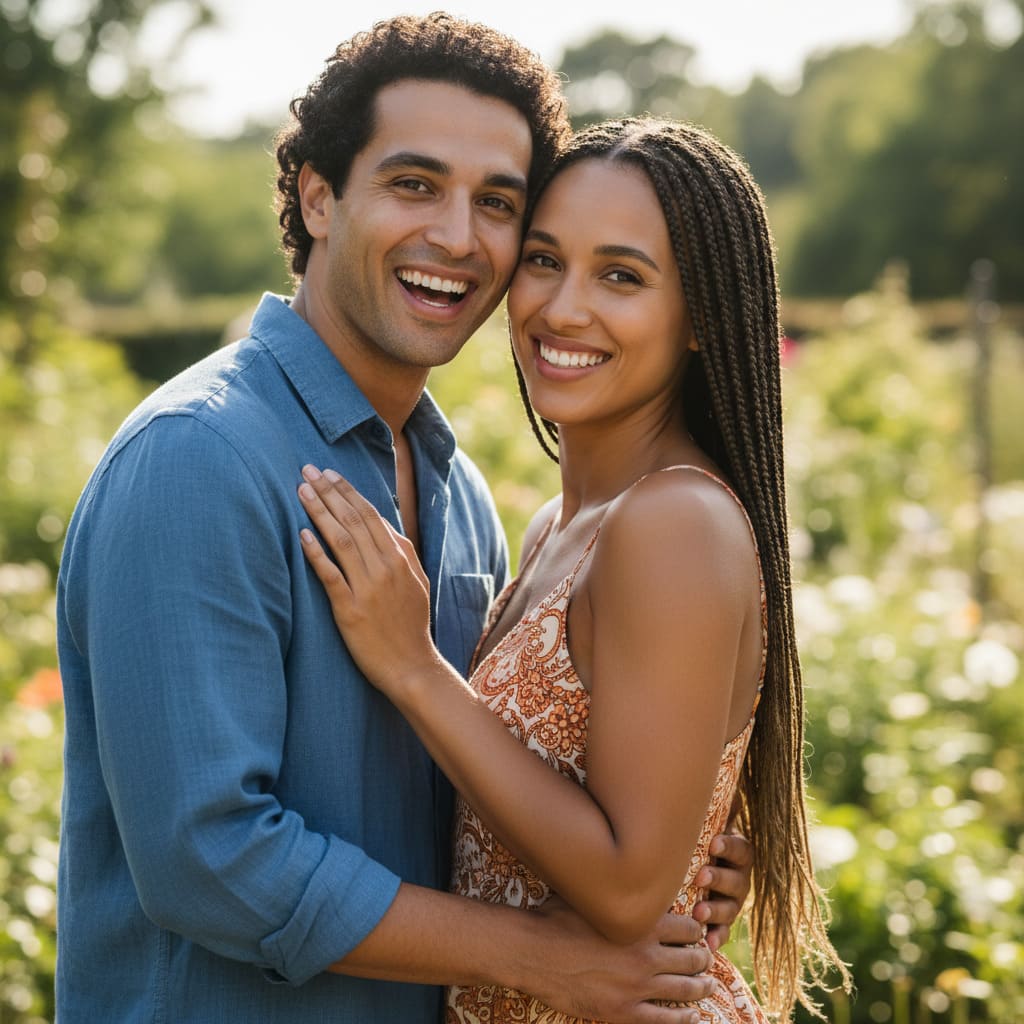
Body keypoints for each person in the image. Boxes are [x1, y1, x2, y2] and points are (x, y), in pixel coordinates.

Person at [55, 15, 753, 1024]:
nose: (459, 238)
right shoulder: (196, 460)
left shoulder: (462, 496)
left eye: (497, 203)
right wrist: (547, 956)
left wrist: (687, 846)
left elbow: (490, 789)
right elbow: (209, 858)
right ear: (319, 197)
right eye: (415, 184)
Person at [296, 116, 853, 1022]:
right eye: (545, 260)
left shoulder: (672, 523)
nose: (561, 309)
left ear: (701, 317)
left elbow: (629, 893)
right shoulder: (560, 524)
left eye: (621, 276)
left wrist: (415, 670)